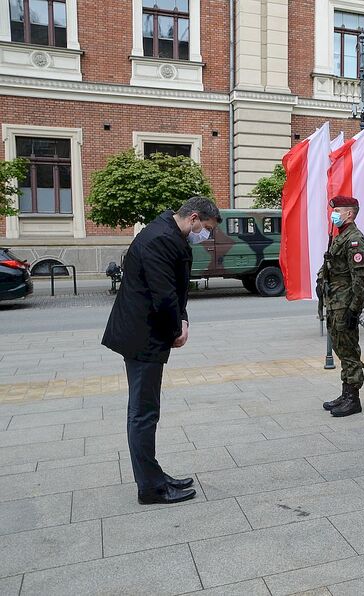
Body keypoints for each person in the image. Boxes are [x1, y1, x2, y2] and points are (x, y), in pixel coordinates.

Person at [102, 196, 221, 505]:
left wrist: (182, 318)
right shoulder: (160, 239)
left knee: (145, 411)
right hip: (142, 337)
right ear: (193, 218)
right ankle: (150, 487)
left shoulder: (166, 232)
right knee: (143, 413)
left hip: (145, 334)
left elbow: (174, 292)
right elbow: (164, 295)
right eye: (205, 228)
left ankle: (154, 475)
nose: (205, 235)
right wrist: (176, 331)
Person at [318, 196, 364, 417]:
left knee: (349, 351)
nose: (334, 214)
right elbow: (330, 266)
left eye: (338, 210)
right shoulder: (340, 237)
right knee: (341, 348)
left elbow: (361, 278)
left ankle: (353, 399)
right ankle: (346, 392)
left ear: (349, 213)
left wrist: (354, 309)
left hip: (345, 305)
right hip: (335, 303)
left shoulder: (355, 240)